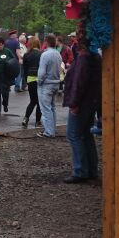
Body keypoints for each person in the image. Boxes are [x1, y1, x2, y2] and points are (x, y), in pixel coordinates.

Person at [62, 36, 101, 183]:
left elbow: (79, 82)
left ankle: (80, 171)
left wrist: (74, 103)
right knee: (86, 134)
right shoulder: (95, 57)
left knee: (74, 134)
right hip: (91, 102)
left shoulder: (84, 58)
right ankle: (91, 169)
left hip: (82, 103)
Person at [36, 34, 63, 138]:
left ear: (46, 42)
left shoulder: (45, 55)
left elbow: (42, 72)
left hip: (46, 84)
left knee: (46, 109)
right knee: (52, 107)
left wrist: (39, 82)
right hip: (56, 83)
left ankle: (49, 132)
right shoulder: (58, 54)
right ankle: (52, 129)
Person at [21, 37, 42, 128]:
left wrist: (26, 80)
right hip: (39, 79)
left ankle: (26, 118)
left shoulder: (26, 55)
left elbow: (25, 69)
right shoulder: (42, 54)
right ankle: (37, 122)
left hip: (30, 79)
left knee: (32, 101)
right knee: (39, 102)